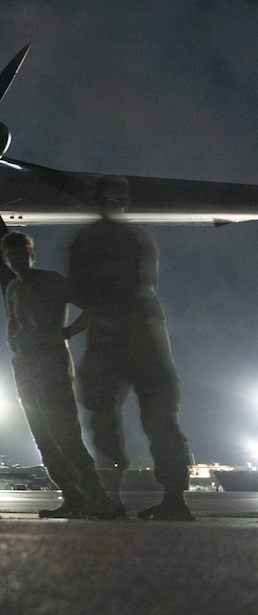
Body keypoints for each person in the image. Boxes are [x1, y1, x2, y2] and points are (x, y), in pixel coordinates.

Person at [66, 176, 194, 521]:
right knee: (160, 419)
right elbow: (145, 284)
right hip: (144, 335)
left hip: (112, 338)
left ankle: (114, 499)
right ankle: (173, 499)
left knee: (106, 418)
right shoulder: (136, 238)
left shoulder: (86, 239)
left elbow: (77, 289)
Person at [0, 231, 122, 518]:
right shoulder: (13, 289)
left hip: (51, 363)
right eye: (11, 256)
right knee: (41, 434)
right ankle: (72, 497)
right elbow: (13, 319)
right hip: (25, 365)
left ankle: (97, 497)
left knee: (64, 431)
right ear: (6, 260)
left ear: (32, 256)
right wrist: (11, 337)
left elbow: (93, 307)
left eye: (21, 254)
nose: (17, 260)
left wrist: (66, 332)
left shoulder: (53, 281)